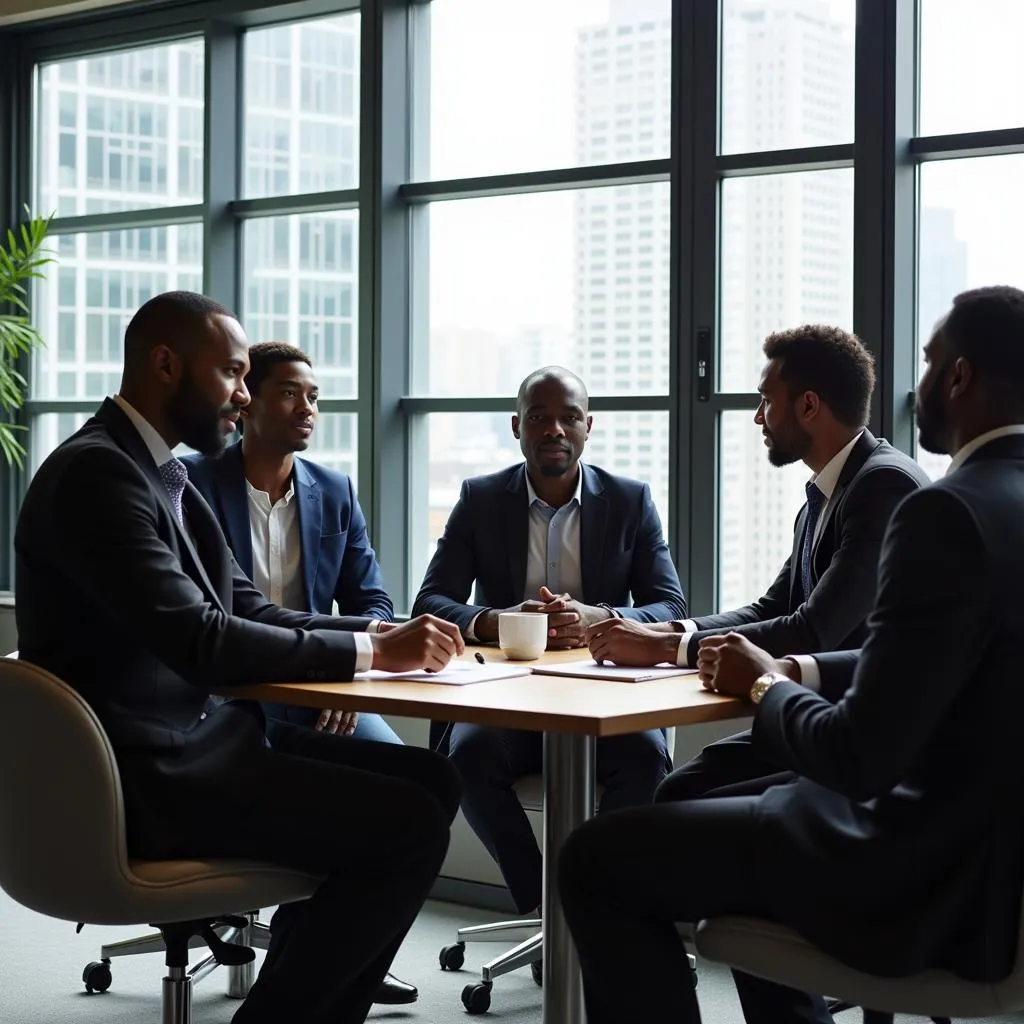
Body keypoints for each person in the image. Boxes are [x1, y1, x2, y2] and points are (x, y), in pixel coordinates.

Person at [558, 285, 1024, 1024]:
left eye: (930, 362)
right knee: (693, 796)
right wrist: (779, 670)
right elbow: (900, 657)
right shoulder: (983, 500)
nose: (918, 382)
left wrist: (770, 690)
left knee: (593, 859)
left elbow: (858, 753)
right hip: (985, 849)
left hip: (923, 864)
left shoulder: (934, 506)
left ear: (961, 377)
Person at [14, 290, 465, 1024]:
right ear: (165, 365)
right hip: (149, 776)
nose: (244, 396)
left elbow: (247, 607)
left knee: (431, 777)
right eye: (231, 374)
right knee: (407, 826)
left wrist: (377, 641)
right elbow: (204, 640)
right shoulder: (98, 477)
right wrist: (363, 653)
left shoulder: (166, 478)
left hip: (203, 747)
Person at [586, 324, 929, 800]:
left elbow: (813, 631)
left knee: (680, 797)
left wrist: (664, 652)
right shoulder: (830, 489)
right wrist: (667, 633)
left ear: (808, 406)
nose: (757, 417)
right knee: (677, 788)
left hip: (853, 738)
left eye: (766, 400)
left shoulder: (882, 486)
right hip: (814, 715)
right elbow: (771, 607)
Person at [182, 341, 415, 1006]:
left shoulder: (333, 489)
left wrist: (340, 684)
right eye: (290, 393)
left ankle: (339, 948)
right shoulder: (193, 485)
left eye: (313, 395)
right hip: (225, 692)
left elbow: (372, 603)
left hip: (321, 687)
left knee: (403, 775)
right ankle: (319, 951)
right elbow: (219, 618)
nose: (307, 408)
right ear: (248, 399)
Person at [411, 365, 686, 916]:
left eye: (568, 418)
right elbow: (430, 601)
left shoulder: (630, 500)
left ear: (589, 427)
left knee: (646, 760)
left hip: (604, 696)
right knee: (466, 758)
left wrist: (599, 616)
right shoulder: (481, 498)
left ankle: (595, 902)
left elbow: (672, 605)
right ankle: (544, 908)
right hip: (507, 700)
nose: (554, 430)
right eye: (539, 418)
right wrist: (498, 620)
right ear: (517, 427)